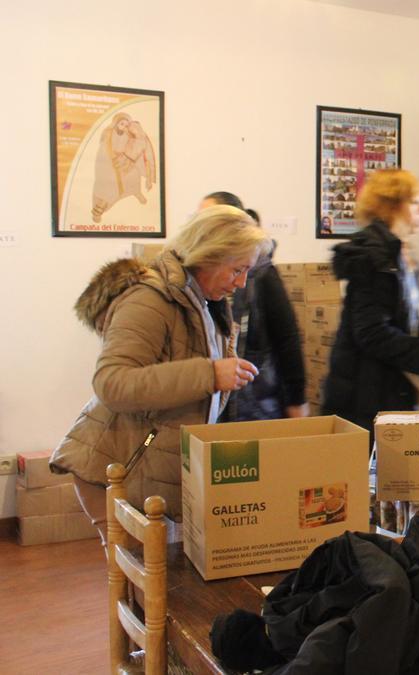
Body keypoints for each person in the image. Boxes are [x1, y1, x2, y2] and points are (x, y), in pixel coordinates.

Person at [52, 205, 268, 542]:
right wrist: (209, 374)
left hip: (149, 473)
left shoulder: (205, 304)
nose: (240, 283)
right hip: (118, 468)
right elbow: (112, 382)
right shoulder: (149, 300)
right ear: (207, 256)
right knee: (143, 587)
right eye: (236, 270)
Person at [322, 169, 419, 438]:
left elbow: (399, 324)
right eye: (414, 202)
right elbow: (372, 333)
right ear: (392, 205)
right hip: (363, 394)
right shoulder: (374, 255)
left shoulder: (400, 255)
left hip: (384, 389)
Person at [198, 192, 307, 421]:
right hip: (211, 406)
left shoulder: (262, 273)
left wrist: (296, 400)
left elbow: (287, 338)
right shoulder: (197, 279)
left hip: (256, 406)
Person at [92, 112, 157, 222]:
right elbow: (104, 152)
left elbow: (134, 147)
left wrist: (128, 158)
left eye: (126, 125)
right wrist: (114, 160)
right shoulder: (108, 134)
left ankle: (136, 192)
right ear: (116, 123)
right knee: (109, 187)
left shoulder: (128, 134)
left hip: (124, 162)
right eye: (122, 123)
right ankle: (99, 210)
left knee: (134, 174)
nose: (124, 126)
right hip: (110, 164)